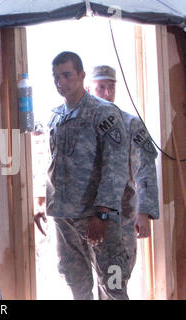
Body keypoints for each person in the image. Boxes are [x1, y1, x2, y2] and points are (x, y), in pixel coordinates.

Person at [34, 51, 130, 300]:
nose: (60, 82)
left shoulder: (104, 113)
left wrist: (103, 213)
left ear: (81, 75)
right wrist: (42, 200)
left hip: (96, 217)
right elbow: (52, 163)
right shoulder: (56, 116)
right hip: (64, 217)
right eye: (56, 77)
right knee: (75, 282)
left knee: (113, 282)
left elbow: (115, 167)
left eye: (66, 75)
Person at [90, 65, 159, 298]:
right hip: (86, 218)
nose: (107, 93)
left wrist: (145, 212)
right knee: (90, 282)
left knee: (116, 279)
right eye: (101, 87)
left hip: (122, 218)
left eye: (111, 87)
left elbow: (146, 168)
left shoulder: (130, 124)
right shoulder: (80, 123)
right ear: (90, 88)